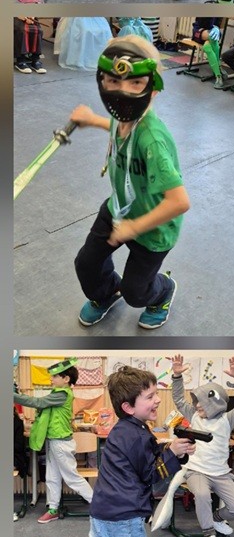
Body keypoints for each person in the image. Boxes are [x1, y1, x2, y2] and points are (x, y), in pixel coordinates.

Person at [50, 365, 195, 537]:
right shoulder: (138, 435)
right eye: (150, 396)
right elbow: (151, 474)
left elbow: (145, 456)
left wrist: (172, 449)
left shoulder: (123, 430)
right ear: (128, 407)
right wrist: (172, 453)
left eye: (156, 394)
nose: (158, 400)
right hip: (125, 516)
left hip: (102, 512)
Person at [69, 35, 190, 330]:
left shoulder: (152, 140)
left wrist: (135, 227)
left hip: (153, 228)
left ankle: (163, 291)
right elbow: (114, 125)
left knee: (136, 293)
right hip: (118, 209)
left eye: (135, 83)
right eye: (114, 81)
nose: (123, 92)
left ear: (153, 88)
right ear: (102, 80)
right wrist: (92, 119)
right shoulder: (124, 118)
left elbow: (179, 202)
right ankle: (107, 293)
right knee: (86, 263)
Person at [171, 354, 234, 537]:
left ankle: (216, 518)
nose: (198, 406)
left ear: (215, 403)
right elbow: (178, 399)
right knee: (203, 495)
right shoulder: (193, 415)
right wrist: (177, 376)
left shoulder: (227, 419)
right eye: (196, 401)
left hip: (220, 473)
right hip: (196, 470)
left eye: (202, 403)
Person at [13, 358, 94, 524]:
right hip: (54, 442)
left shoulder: (62, 394)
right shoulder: (57, 394)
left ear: (66, 379)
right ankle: (53, 509)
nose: (51, 379)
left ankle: (101, 507)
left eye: (55, 376)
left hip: (61, 443)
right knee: (52, 477)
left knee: (71, 478)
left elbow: (37, 402)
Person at [192, 17, 228, 88]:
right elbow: (202, 22)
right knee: (211, 37)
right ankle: (218, 71)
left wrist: (216, 27)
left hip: (214, 30)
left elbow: (219, 22)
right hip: (199, 31)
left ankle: (218, 74)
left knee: (207, 46)